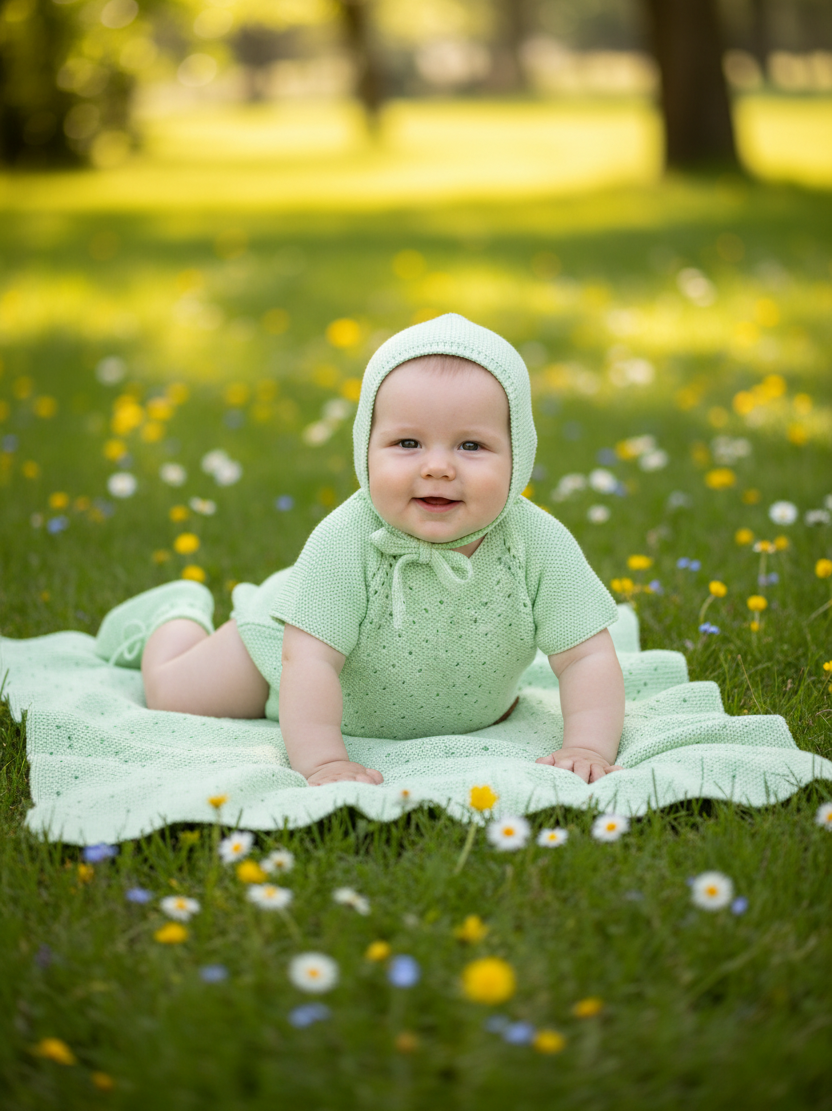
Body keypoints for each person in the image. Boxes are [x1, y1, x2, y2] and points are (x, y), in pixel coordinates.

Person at [94, 314, 625, 787]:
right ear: (365, 448)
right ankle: (177, 614)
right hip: (280, 653)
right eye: (408, 443)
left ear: (519, 455)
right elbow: (308, 661)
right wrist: (324, 760)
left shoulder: (537, 543)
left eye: (471, 445)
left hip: (460, 704)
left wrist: (586, 746)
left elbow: (586, 656)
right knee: (171, 693)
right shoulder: (348, 539)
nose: (438, 466)